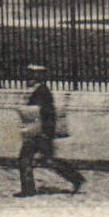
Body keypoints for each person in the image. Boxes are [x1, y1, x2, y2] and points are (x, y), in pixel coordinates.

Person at [15, 64, 84, 197]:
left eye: (30, 75)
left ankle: (75, 179)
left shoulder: (42, 92)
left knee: (35, 159)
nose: (27, 78)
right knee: (38, 159)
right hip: (39, 132)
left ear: (37, 77)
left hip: (40, 133)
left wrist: (46, 133)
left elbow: (47, 114)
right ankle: (75, 178)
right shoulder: (39, 91)